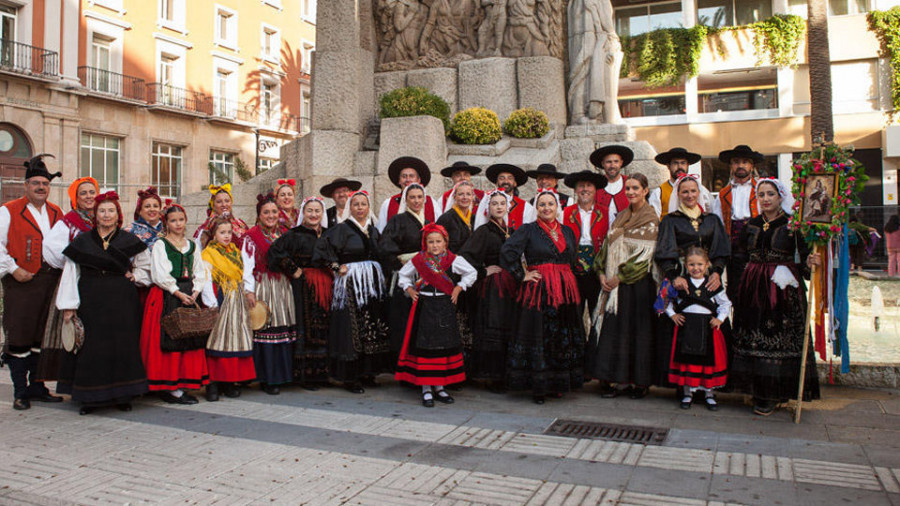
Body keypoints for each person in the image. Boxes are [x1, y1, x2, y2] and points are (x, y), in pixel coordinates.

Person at [729, 178, 821, 416]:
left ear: (780, 197)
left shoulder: (793, 226)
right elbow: (739, 256)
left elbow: (803, 262)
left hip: (782, 289)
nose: (766, 199)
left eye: (770, 194)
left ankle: (774, 393)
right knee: (753, 337)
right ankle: (756, 390)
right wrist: (737, 288)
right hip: (752, 286)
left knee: (778, 338)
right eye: (761, 195)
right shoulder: (751, 224)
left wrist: (811, 262)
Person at [56, 191, 151, 415]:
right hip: (91, 299)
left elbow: (146, 266)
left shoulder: (129, 240)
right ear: (95, 215)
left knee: (122, 346)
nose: (106, 215)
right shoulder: (82, 241)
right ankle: (90, 397)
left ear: (117, 214)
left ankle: (123, 395)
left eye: (111, 211)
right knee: (92, 347)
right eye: (102, 211)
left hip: (122, 301)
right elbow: (71, 272)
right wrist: (69, 305)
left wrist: (135, 276)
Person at [500, 189, 584, 404]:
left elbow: (572, 259)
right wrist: (522, 274)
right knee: (540, 334)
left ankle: (557, 384)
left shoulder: (567, 231)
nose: (546, 208)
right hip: (539, 290)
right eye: (542, 205)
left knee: (561, 336)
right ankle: (538, 386)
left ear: (558, 208)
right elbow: (508, 252)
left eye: (550, 204)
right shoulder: (528, 230)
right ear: (536, 209)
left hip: (564, 291)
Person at [0, 155, 66, 410]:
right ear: (26, 185)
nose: (41, 187)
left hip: (49, 281)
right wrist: (13, 269)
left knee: (42, 335)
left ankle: (38, 386)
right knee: (20, 334)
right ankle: (20, 391)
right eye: (36, 183)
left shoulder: (56, 212)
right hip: (22, 283)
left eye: (45, 184)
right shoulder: (8, 211)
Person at [587, 174, 659, 399]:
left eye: (636, 188)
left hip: (636, 286)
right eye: (628, 188)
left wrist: (620, 276)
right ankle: (613, 379)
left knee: (637, 334)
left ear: (645, 190)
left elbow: (644, 258)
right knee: (615, 333)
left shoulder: (650, 219)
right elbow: (607, 248)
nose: (631, 192)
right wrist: (600, 272)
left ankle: (638, 382)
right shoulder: (620, 217)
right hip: (613, 286)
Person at [654, 175, 730, 388]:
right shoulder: (670, 220)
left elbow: (720, 249)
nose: (689, 195)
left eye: (693, 191)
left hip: (707, 276)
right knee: (677, 322)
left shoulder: (711, 220)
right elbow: (664, 251)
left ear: (700, 193)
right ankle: (680, 382)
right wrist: (673, 276)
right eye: (685, 191)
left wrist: (716, 273)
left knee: (710, 322)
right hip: (680, 275)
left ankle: (709, 382)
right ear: (678, 194)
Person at [313, 190, 391, 393]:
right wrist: (337, 266)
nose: (360, 208)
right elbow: (321, 249)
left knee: (371, 326)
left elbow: (383, 253)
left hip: (371, 284)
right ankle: (350, 377)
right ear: (350, 207)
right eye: (355, 204)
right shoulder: (342, 229)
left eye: (363, 204)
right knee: (352, 326)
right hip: (352, 284)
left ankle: (368, 373)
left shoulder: (373, 230)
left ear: (368, 207)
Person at [396, 223, 477, 407]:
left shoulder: (453, 260)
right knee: (425, 347)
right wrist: (409, 289)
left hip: (444, 306)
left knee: (442, 347)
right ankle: (426, 389)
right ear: (425, 243)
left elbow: (471, 273)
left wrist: (458, 288)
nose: (434, 245)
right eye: (430, 241)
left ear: (445, 242)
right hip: (424, 306)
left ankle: (440, 387)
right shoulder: (419, 260)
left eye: (438, 241)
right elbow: (403, 275)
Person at [138, 204, 209, 405]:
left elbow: (200, 270)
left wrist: (195, 292)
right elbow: (160, 274)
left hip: (189, 292)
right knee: (169, 339)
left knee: (188, 338)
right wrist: (177, 292)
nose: (178, 224)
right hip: (167, 295)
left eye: (181, 219)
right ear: (166, 223)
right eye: (173, 220)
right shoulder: (161, 245)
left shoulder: (193, 245)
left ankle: (181, 383)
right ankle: (169, 387)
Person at [38, 176, 100, 384]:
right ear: (75, 197)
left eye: (92, 192)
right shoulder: (69, 222)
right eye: (83, 193)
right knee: (77, 332)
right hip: (77, 282)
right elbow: (50, 248)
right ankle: (77, 383)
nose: (89, 196)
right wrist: (74, 262)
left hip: (99, 285)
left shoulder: (102, 218)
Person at [268, 197, 333, 389]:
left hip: (326, 286)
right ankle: (306, 376)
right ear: (303, 213)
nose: (314, 215)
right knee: (306, 326)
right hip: (304, 286)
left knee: (325, 326)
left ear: (322, 214)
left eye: (317, 211)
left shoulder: (329, 234)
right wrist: (292, 268)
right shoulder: (294, 234)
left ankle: (323, 374)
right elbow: (275, 252)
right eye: (310, 211)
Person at [459, 190, 518, 392]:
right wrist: (483, 271)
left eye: (503, 203)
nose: (499, 207)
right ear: (488, 208)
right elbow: (464, 258)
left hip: (511, 285)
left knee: (508, 327)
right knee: (494, 328)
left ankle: (506, 373)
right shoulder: (484, 231)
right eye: (495, 204)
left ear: (508, 207)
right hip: (494, 288)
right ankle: (493, 376)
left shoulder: (510, 229)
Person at [242, 192, 297, 395]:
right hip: (263, 284)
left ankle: (285, 375)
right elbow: (247, 266)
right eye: (266, 212)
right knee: (266, 328)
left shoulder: (285, 232)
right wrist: (249, 291)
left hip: (283, 285)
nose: (271, 215)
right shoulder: (251, 236)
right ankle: (268, 378)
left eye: (274, 211)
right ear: (259, 215)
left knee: (285, 327)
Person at [665, 246, 732, 411]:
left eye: (700, 264)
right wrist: (672, 315)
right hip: (686, 330)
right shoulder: (681, 284)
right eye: (692, 265)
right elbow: (663, 301)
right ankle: (688, 394)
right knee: (687, 362)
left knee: (707, 363)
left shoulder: (712, 284)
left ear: (707, 265)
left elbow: (726, 304)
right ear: (686, 265)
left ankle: (709, 395)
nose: (696, 268)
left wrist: (719, 319)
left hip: (708, 330)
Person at [201, 217, 256, 401]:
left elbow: (245, 272)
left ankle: (230, 381)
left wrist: (249, 291)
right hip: (221, 297)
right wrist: (212, 304)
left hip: (236, 298)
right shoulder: (209, 253)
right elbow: (207, 279)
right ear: (213, 234)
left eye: (229, 232)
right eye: (222, 232)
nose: (226, 236)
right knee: (217, 339)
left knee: (234, 338)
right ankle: (213, 383)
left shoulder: (235, 251)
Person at [380, 183, 433, 363]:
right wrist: (405, 260)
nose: (416, 201)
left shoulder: (427, 224)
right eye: (412, 197)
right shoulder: (398, 220)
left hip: (425, 278)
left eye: (420, 197)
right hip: (406, 277)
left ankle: (421, 363)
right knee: (404, 320)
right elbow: (386, 248)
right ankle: (403, 364)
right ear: (406, 199)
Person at [712, 145, 763, 303]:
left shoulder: (761, 188)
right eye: (736, 162)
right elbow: (717, 221)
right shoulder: (723, 193)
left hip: (758, 242)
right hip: (734, 245)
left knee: (759, 286)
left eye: (745, 162)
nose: (740, 166)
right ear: (731, 166)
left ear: (751, 165)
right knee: (736, 287)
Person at [562, 170, 608, 320]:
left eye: (589, 186)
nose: (585, 189)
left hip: (598, 268)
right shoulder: (565, 213)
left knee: (598, 311)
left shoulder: (606, 212)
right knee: (574, 311)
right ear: (575, 190)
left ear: (595, 190)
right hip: (573, 269)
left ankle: (595, 343)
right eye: (581, 186)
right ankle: (577, 343)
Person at [377, 156, 442, 232]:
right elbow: (381, 231)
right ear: (399, 181)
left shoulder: (432, 203)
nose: (408, 179)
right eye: (404, 176)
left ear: (418, 180)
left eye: (411, 176)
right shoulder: (388, 203)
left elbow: (440, 229)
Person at [648, 148, 703, 218]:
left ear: (687, 165)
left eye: (683, 163)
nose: (680, 167)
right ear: (668, 166)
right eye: (675, 163)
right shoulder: (659, 193)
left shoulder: (699, 189)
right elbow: (654, 219)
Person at [193, 184, 250, 248]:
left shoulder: (240, 223)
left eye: (227, 201)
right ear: (213, 205)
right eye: (219, 202)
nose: (224, 204)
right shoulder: (208, 226)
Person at [482, 164, 536, 229]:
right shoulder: (486, 203)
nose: (506, 181)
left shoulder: (526, 208)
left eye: (510, 178)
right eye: (502, 178)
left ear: (515, 183)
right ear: (496, 182)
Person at [590, 145, 632, 226]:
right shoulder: (595, 186)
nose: (612, 166)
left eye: (616, 161)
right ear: (603, 164)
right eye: (608, 162)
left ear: (621, 163)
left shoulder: (630, 184)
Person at [437, 180, 477, 253]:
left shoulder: (474, 218)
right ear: (454, 197)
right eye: (461, 194)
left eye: (468, 194)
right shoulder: (446, 218)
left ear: (472, 197)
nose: (465, 197)